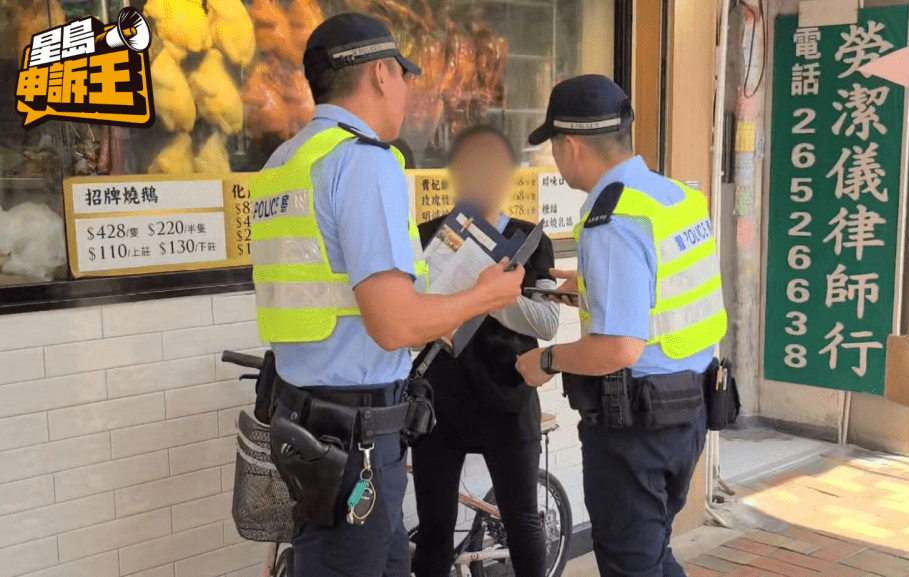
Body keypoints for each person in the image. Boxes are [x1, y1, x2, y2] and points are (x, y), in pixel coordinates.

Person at [249, 14, 524, 577]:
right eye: (403, 76)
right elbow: (394, 325)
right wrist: (482, 295)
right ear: (379, 73)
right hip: (354, 440)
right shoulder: (364, 162)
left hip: (304, 422)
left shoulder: (284, 164)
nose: (406, 89)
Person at [515, 75, 728, 577]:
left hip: (639, 428)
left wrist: (544, 360)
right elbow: (659, 296)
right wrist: (582, 286)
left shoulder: (610, 221)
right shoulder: (671, 197)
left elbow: (619, 347)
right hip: (689, 411)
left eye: (552, 147)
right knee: (652, 553)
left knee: (631, 562)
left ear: (570, 147)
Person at [411, 124, 559, 577]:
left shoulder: (530, 240)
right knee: (435, 529)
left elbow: (548, 323)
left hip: (509, 403)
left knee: (522, 524)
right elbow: (411, 321)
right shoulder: (427, 236)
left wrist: (492, 295)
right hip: (438, 406)